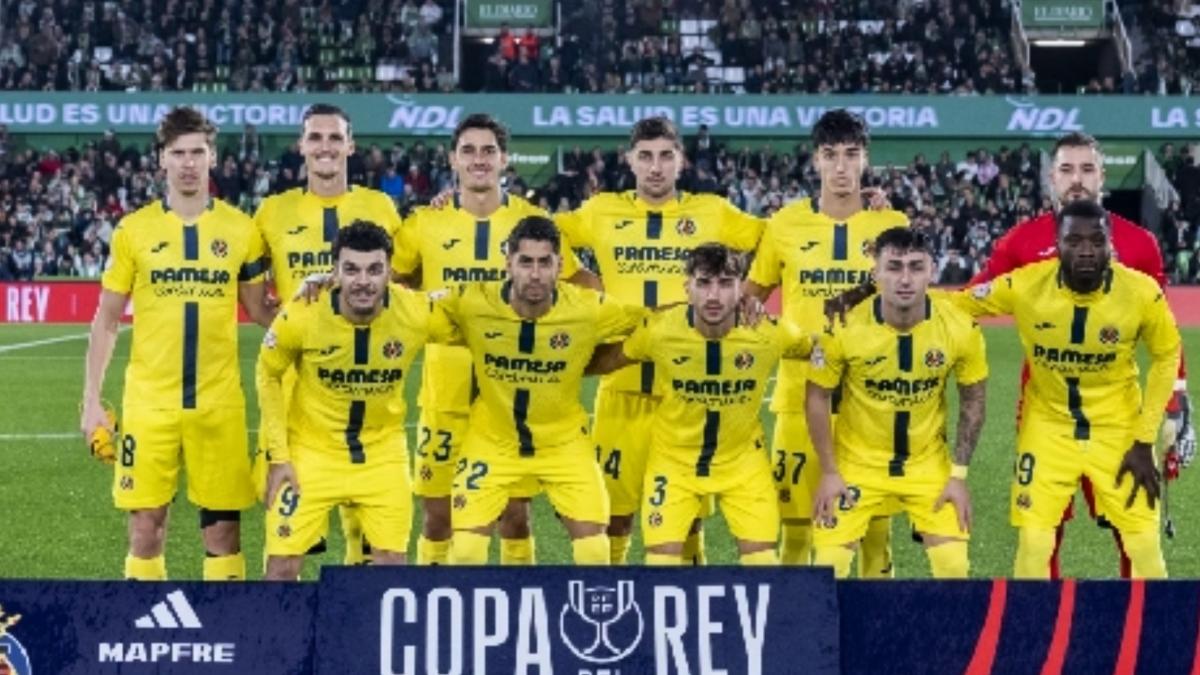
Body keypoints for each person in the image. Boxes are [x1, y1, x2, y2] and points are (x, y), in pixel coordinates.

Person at [968, 132, 1192, 578]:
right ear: (1051, 178)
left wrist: (1177, 402)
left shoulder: (1139, 243)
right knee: (1042, 532)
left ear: (1102, 177)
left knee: (1132, 529)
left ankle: (1139, 616)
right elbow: (972, 300)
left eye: (1087, 169)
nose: (1077, 180)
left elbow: (1163, 333)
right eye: (1067, 169)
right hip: (1045, 407)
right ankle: (1046, 615)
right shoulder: (1021, 242)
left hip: (1119, 411)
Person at [554, 116, 764, 565]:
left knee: (685, 519)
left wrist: (746, 293)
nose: (655, 167)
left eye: (665, 156)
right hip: (620, 387)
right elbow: (540, 233)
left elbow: (776, 240)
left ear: (680, 161)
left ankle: (684, 599)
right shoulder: (602, 210)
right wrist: (584, 280)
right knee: (615, 516)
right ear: (630, 160)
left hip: (685, 393)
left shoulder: (712, 211)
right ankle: (610, 597)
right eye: (645, 156)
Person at [392, 113, 599, 565]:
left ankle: (513, 600)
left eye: (489, 150)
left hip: (513, 400)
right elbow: (392, 281)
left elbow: (580, 282)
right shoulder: (425, 222)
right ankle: (436, 601)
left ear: (505, 159)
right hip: (445, 393)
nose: (479, 159)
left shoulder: (532, 220)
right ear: (453, 159)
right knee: (438, 517)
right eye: (468, 150)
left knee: (514, 516)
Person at [80, 107, 274, 580]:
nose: (189, 163)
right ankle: (147, 626)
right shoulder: (134, 230)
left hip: (218, 403)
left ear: (213, 158)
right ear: (161, 159)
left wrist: (321, 317)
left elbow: (260, 312)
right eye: (178, 153)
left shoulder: (242, 229)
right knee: (146, 527)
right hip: (150, 403)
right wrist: (91, 401)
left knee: (223, 532)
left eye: (198, 152)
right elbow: (107, 319)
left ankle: (226, 625)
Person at [745, 109, 908, 572]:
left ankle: (872, 623)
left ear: (865, 159)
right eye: (830, 155)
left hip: (870, 401)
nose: (841, 166)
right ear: (815, 160)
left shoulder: (891, 224)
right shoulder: (784, 225)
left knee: (875, 536)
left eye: (851, 155)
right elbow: (751, 298)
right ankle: (797, 620)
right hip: (798, 398)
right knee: (796, 534)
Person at [438, 216, 644, 565]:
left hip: (564, 442)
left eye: (545, 262)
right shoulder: (472, 301)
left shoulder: (588, 308)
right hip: (493, 440)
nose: (535, 274)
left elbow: (652, 322)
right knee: (466, 553)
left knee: (595, 552)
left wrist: (720, 308)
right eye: (526, 262)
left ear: (559, 266)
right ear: (508, 263)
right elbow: (409, 309)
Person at [589, 242, 810, 565]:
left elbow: (819, 351)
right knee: (661, 566)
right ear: (687, 288)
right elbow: (609, 360)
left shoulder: (769, 332)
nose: (714, 296)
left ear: (742, 288)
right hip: (674, 462)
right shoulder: (660, 330)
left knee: (762, 565)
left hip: (743, 464)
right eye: (704, 283)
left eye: (726, 283)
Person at [253, 103, 405, 566]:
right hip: (297, 401)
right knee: (289, 542)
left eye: (335, 137)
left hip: (368, 386)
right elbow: (256, 301)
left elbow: (398, 283)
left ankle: (355, 609)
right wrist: (299, 332)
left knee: (364, 528)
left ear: (350, 146)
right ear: (301, 146)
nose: (325, 146)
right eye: (315, 137)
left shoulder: (380, 207)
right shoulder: (272, 212)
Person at [259, 221, 449, 578]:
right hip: (310, 453)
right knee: (282, 565)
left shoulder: (415, 311)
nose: (363, 281)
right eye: (351, 269)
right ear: (334, 271)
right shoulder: (303, 312)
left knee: (392, 566)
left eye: (374, 270)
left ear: (390, 271)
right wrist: (279, 456)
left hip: (383, 454)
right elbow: (267, 372)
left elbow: (480, 307)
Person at [809, 227, 987, 578]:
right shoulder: (843, 325)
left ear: (932, 271)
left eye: (916, 267)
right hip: (856, 464)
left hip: (927, 465)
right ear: (875, 272)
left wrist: (958, 476)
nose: (905, 279)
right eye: (894, 267)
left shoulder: (960, 326)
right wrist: (829, 472)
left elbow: (974, 399)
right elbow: (816, 395)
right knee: (827, 568)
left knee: (954, 567)